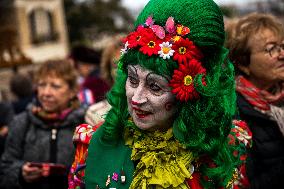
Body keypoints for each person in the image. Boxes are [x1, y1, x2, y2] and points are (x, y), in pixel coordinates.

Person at [68, 0, 252, 188]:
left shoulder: (226, 148)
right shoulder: (91, 143)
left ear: (191, 93)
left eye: (155, 86)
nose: (136, 98)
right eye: (132, 79)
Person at [0, 60, 86, 189]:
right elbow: (5, 169)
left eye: (55, 86)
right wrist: (21, 173)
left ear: (72, 91)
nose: (46, 93)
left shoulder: (84, 124)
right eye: (41, 85)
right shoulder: (22, 123)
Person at [226, 13, 284, 188]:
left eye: (282, 46)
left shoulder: (279, 98)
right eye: (271, 49)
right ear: (244, 63)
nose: (282, 54)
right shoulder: (235, 114)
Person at [85, 35, 124, 125]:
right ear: (108, 71)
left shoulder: (155, 108)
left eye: (126, 63)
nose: (121, 70)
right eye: (115, 65)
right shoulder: (95, 113)